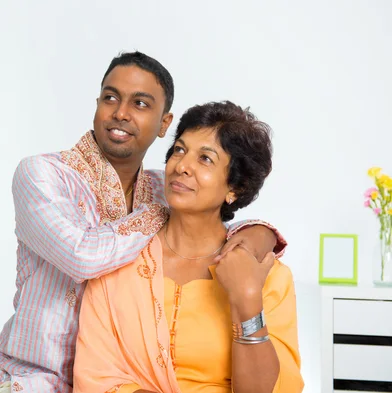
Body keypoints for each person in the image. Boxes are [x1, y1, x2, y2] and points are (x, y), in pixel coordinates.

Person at [0, 52, 288, 393]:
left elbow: (212, 214)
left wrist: (257, 234)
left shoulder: (166, 185)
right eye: (110, 97)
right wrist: (162, 210)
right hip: (36, 379)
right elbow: (82, 256)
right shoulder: (43, 174)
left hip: (124, 379)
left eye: (141, 103)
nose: (120, 113)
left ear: (164, 124)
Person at [73, 101, 303, 393]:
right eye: (179, 150)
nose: (182, 166)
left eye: (206, 159)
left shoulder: (269, 276)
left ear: (236, 188)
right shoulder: (119, 258)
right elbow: (95, 378)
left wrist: (247, 300)